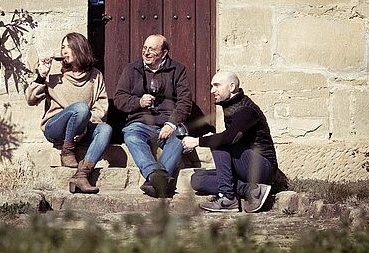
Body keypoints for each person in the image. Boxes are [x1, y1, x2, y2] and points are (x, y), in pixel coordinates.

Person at [25, 32, 112, 194]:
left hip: (83, 128)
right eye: (62, 47)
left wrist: (84, 127)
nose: (64, 51)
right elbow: (30, 99)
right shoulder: (55, 73)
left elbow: (101, 107)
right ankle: (67, 151)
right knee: (80, 107)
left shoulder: (95, 75)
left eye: (69, 47)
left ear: (80, 49)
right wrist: (41, 76)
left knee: (106, 129)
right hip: (55, 128)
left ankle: (82, 174)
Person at [182, 72, 277, 213]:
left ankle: (227, 198)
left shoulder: (246, 109)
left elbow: (229, 138)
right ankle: (251, 189)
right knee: (197, 179)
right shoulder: (230, 105)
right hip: (243, 167)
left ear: (232, 87)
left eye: (216, 85)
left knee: (219, 142)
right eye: (212, 86)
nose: (212, 90)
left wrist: (197, 141)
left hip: (262, 167)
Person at [114, 34, 192, 198]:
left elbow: (185, 102)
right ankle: (157, 177)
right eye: (144, 48)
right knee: (132, 136)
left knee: (179, 138)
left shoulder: (177, 70)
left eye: (152, 49)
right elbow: (119, 99)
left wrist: (171, 124)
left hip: (167, 124)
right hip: (140, 123)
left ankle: (154, 182)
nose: (146, 53)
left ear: (164, 53)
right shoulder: (132, 69)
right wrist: (138, 102)